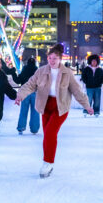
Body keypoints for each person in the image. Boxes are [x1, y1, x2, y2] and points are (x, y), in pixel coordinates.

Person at [15, 44, 93, 178]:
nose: (52, 61)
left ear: (60, 59)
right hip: (45, 106)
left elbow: (76, 90)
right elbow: (30, 84)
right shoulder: (41, 71)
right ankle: (48, 160)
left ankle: (48, 162)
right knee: (47, 135)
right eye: (50, 58)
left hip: (60, 107)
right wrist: (20, 95)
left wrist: (87, 105)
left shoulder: (67, 73)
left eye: (55, 58)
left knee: (50, 133)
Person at [6, 53, 39, 134]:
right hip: (35, 93)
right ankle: (34, 129)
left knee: (24, 111)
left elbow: (17, 80)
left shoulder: (24, 70)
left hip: (25, 93)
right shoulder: (37, 71)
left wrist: (13, 73)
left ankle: (21, 127)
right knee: (35, 111)